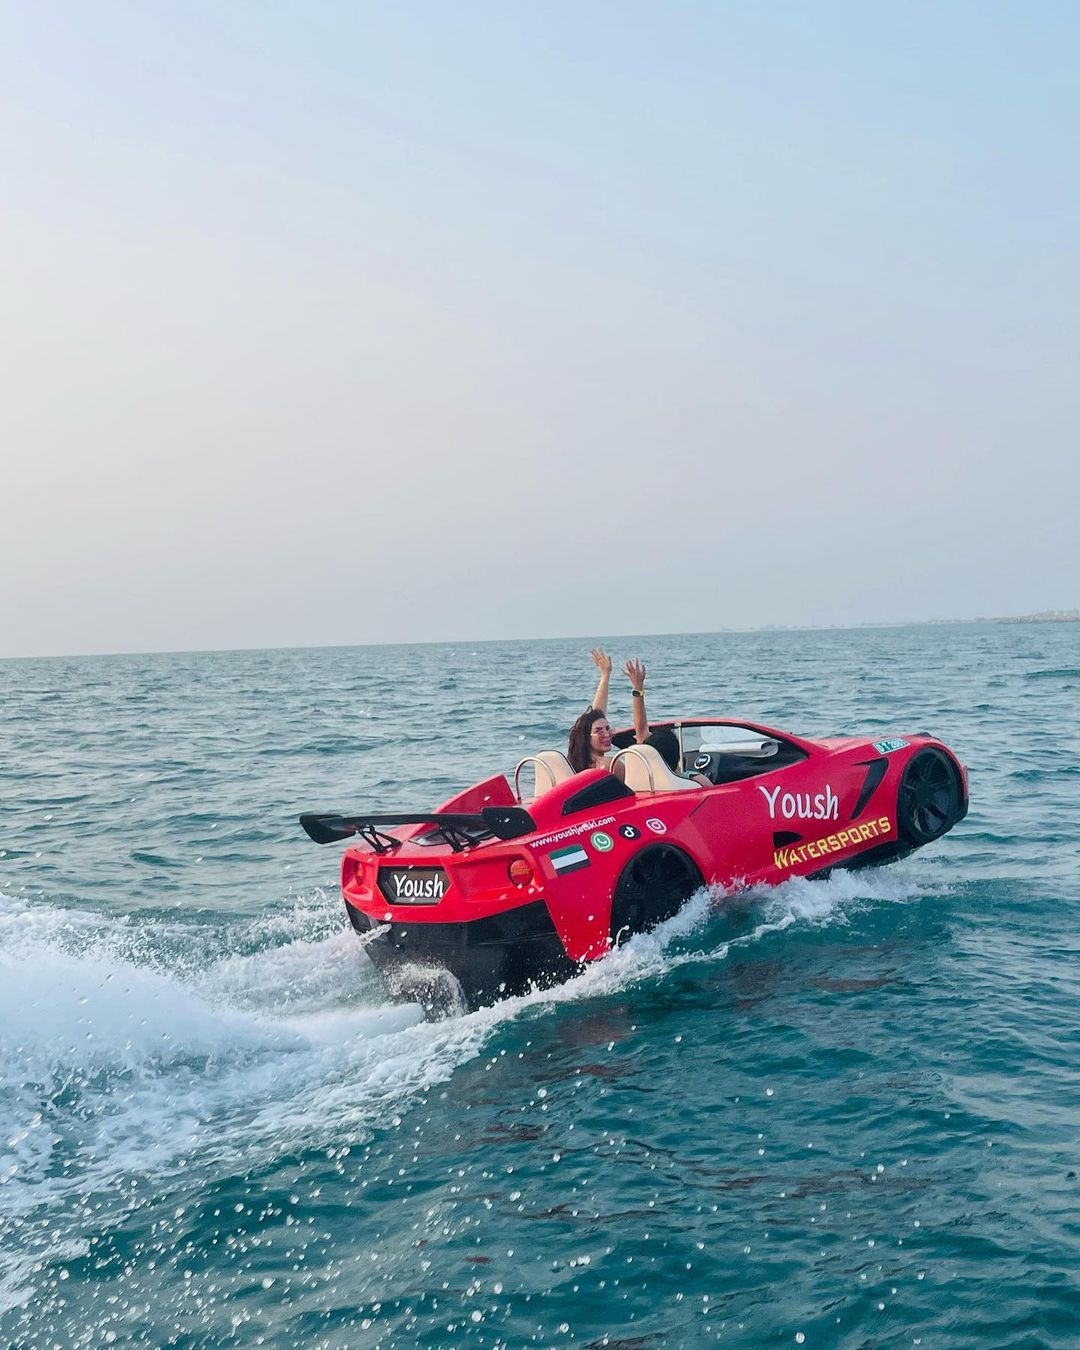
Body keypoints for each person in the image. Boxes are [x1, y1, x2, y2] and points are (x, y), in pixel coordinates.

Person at [566, 649, 711, 786]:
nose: (607, 733)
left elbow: (593, 720)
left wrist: (606, 675)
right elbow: (640, 732)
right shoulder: (613, 766)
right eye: (599, 731)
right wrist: (637, 688)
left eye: (608, 728)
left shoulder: (571, 766)